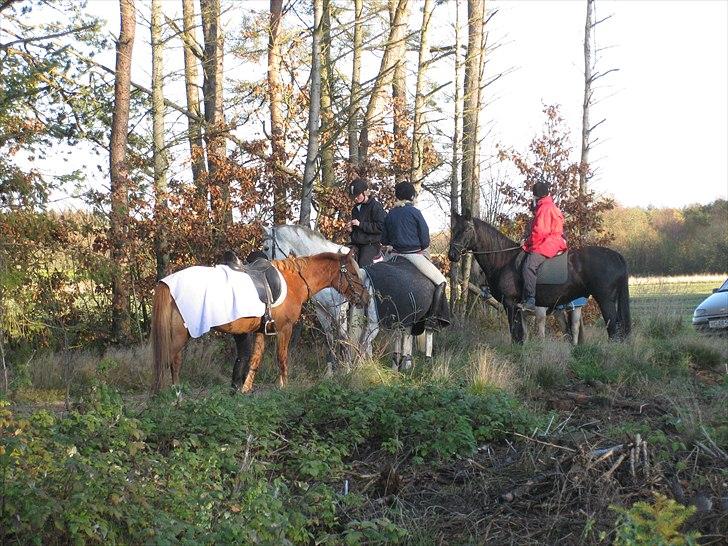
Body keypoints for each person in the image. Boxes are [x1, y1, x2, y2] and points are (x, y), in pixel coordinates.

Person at [381, 181, 448, 317]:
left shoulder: (390, 214)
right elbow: (425, 241)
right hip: (414, 256)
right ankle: (434, 319)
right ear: (412, 197)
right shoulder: (415, 212)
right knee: (441, 281)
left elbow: (384, 240)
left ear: (397, 197)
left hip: (392, 256)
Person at [519, 181, 568, 313]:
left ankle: (530, 300)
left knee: (529, 266)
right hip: (556, 240)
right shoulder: (551, 206)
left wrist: (526, 243)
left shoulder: (543, 209)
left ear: (536, 196)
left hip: (549, 242)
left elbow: (538, 232)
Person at [347, 177, 386, 266]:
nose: (355, 199)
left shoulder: (376, 206)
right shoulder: (355, 209)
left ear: (365, 193)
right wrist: (351, 230)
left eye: (357, 195)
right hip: (356, 243)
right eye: (354, 197)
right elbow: (357, 230)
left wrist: (360, 224)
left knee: (362, 264)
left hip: (371, 244)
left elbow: (380, 227)